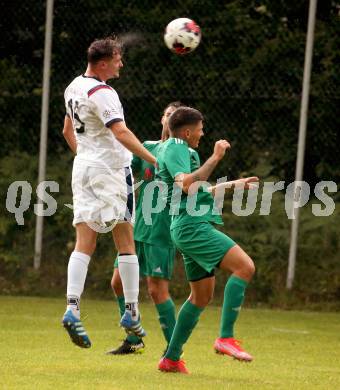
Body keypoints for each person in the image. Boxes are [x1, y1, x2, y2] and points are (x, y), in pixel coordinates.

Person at [62, 36, 156, 348]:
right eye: (117, 59)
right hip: (112, 171)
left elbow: (67, 131)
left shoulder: (74, 86)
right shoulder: (104, 93)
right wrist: (153, 160)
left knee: (83, 243)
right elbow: (121, 131)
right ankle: (131, 312)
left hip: (83, 168)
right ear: (103, 63)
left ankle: (72, 307)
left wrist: (87, 160)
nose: (121, 63)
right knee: (125, 241)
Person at [156, 107, 258, 374]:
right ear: (187, 132)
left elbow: (196, 190)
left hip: (187, 225)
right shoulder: (177, 146)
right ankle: (225, 338)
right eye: (200, 129)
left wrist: (235, 184)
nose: (203, 133)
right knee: (245, 267)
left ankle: (171, 359)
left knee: (201, 297)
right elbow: (187, 185)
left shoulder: (181, 150)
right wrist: (215, 157)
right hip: (192, 227)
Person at [107, 101, 189, 355]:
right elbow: (121, 164)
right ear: (162, 119)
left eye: (175, 115)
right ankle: (133, 339)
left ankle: (174, 350)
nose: (169, 118)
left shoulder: (181, 152)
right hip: (137, 226)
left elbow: (187, 184)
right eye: (167, 114)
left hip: (161, 228)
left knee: (156, 290)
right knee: (118, 282)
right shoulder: (147, 148)